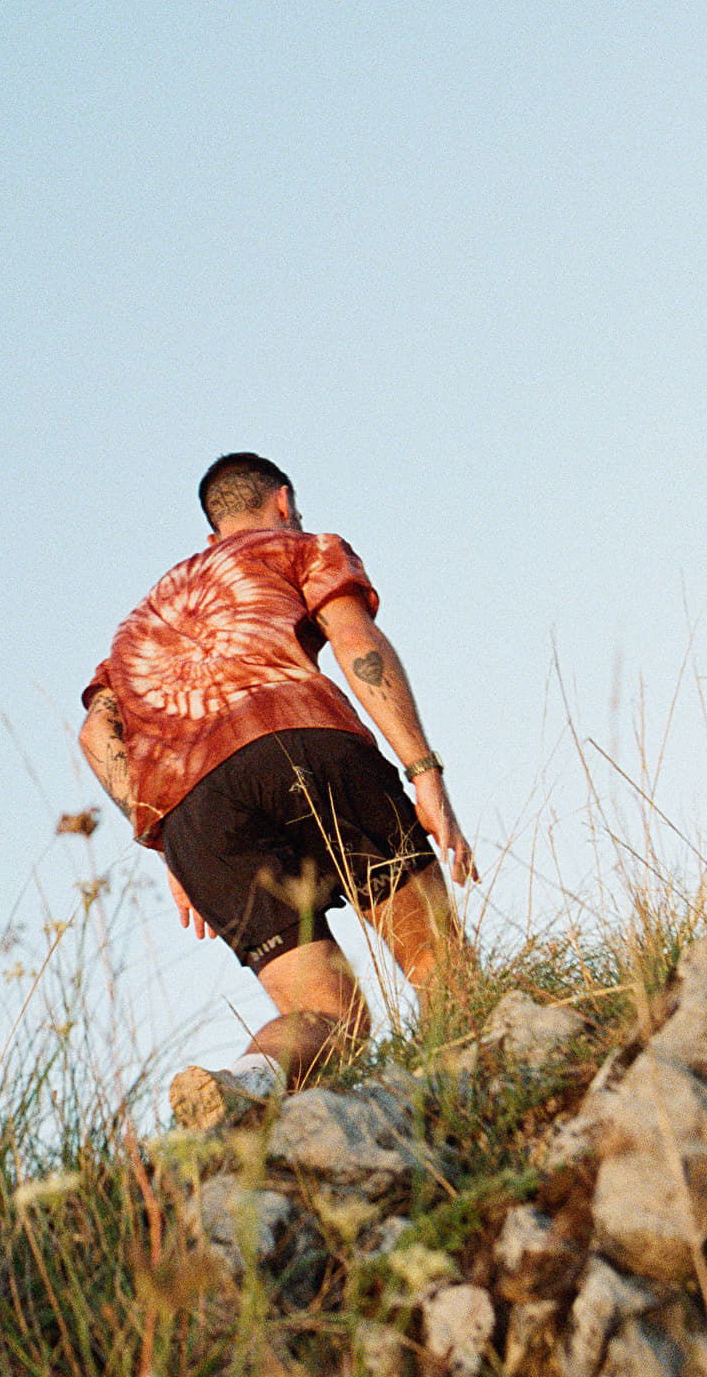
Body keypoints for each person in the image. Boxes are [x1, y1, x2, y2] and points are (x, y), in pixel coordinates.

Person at [79, 452, 476, 1129]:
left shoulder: (140, 621)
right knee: (439, 965)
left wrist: (166, 839)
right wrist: (424, 771)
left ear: (211, 533)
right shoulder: (299, 547)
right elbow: (353, 638)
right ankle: (476, 1119)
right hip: (299, 739)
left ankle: (245, 1082)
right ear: (283, 501)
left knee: (325, 1017)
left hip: (195, 813)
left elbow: (96, 735)